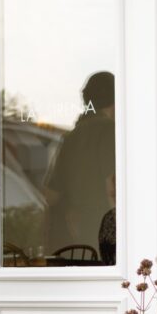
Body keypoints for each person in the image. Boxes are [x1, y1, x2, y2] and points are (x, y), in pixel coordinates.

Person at [43, 71, 115, 260]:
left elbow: (51, 195)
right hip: (104, 238)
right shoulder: (110, 131)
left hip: (76, 238)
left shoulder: (71, 137)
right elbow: (112, 188)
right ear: (115, 100)